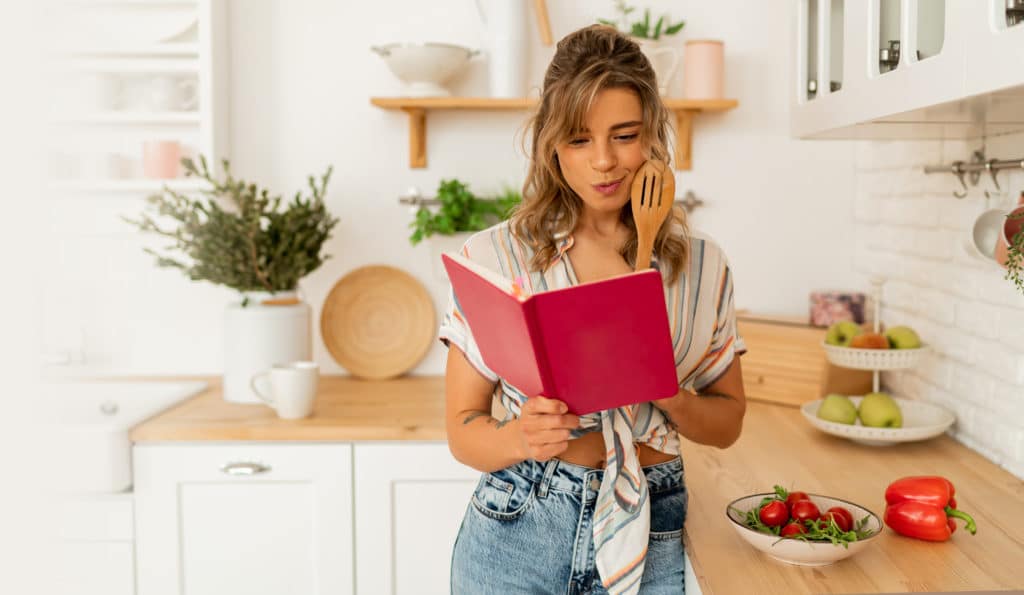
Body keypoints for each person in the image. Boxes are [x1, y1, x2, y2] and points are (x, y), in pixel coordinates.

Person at [439, 24, 747, 595]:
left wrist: (668, 391)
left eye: (624, 135)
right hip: (518, 526)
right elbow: (462, 429)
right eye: (579, 139)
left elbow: (728, 421)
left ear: (653, 136)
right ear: (551, 145)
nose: (604, 162)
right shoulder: (494, 257)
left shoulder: (703, 266)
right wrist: (519, 438)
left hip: (654, 526)